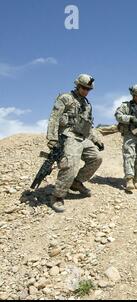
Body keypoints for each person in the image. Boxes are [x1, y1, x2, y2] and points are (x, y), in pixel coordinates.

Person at [46, 74, 103, 213]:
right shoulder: (66, 98)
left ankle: (76, 183)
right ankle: (57, 196)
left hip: (82, 138)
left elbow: (87, 126)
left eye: (88, 89)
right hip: (68, 135)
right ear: (77, 85)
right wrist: (52, 139)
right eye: (83, 87)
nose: (86, 91)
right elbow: (54, 118)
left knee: (96, 158)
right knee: (70, 163)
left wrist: (96, 140)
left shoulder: (87, 105)